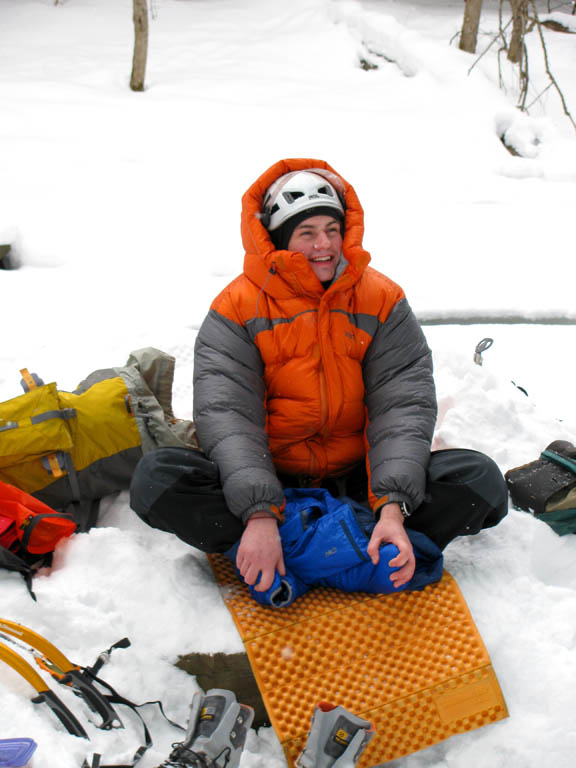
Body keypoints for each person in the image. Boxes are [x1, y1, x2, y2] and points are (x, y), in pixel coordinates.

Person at [130, 158, 508, 597]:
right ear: (279, 242)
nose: (324, 244)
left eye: (332, 230)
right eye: (306, 234)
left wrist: (391, 510)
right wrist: (258, 514)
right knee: (157, 478)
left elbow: (401, 408)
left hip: (359, 481)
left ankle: (312, 548)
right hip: (269, 482)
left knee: (479, 481)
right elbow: (229, 418)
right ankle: (334, 548)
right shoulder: (236, 308)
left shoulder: (382, 300)